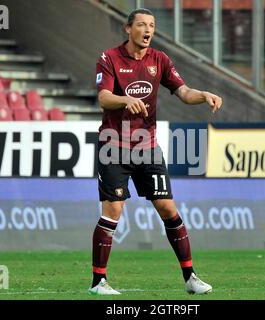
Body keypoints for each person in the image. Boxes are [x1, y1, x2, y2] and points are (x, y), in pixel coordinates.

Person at [89, 8, 223, 296]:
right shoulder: (109, 58)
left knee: (167, 207)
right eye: (141, 24)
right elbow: (103, 97)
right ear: (128, 29)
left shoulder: (159, 59)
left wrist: (203, 95)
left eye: (151, 25)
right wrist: (125, 100)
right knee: (113, 211)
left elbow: (183, 91)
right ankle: (98, 282)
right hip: (114, 145)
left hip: (147, 146)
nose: (147, 29)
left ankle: (190, 278)